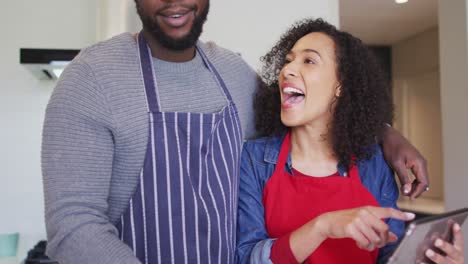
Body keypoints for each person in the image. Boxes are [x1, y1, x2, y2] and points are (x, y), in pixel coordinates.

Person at [41, 1, 429, 263]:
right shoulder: (92, 77)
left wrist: (386, 134)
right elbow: (74, 226)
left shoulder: (232, 74)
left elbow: (312, 112)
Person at [236, 18, 464, 264]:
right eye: (288, 61)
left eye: (309, 61)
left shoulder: (373, 163)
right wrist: (322, 227)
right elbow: (246, 258)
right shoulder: (254, 159)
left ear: (340, 86)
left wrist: (427, 260)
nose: (287, 70)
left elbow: (389, 256)